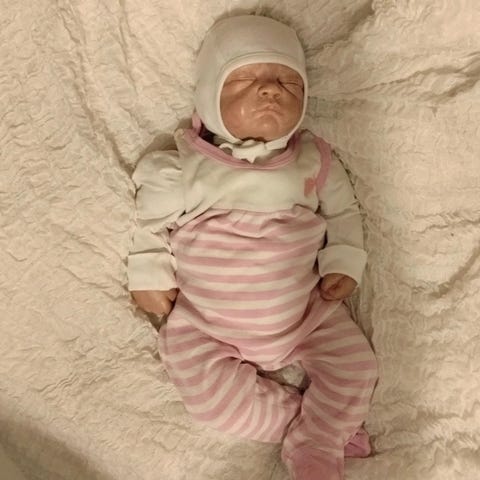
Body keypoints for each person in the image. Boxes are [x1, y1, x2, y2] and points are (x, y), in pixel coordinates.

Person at [127, 15, 378, 480]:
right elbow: (151, 226)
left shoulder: (312, 159)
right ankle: (318, 432)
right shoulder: (183, 166)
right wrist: (148, 273)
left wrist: (344, 260)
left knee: (356, 366)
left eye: (287, 81)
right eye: (245, 79)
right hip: (207, 325)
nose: (269, 91)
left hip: (306, 313)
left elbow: (345, 214)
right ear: (208, 94)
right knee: (208, 401)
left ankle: (317, 440)